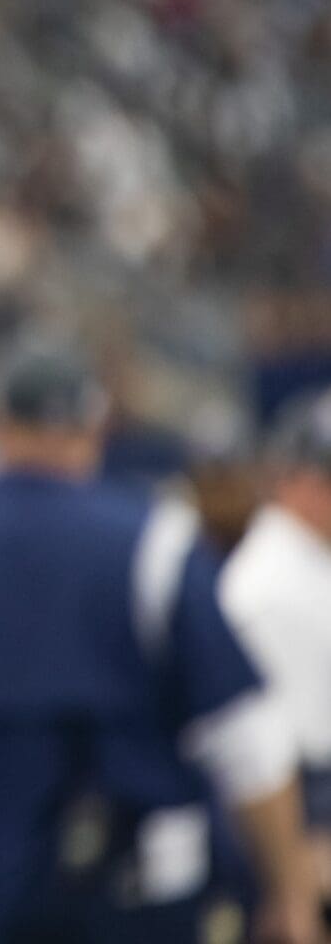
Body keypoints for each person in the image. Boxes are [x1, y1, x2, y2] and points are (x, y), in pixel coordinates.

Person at [0, 339, 321, 944]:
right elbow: (248, 740)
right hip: (142, 900)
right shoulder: (157, 544)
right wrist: (288, 894)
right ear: (93, 426)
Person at [222, 389, 331, 928]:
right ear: (297, 481)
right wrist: (296, 885)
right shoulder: (268, 585)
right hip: (307, 817)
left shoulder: (309, 559)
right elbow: (268, 758)